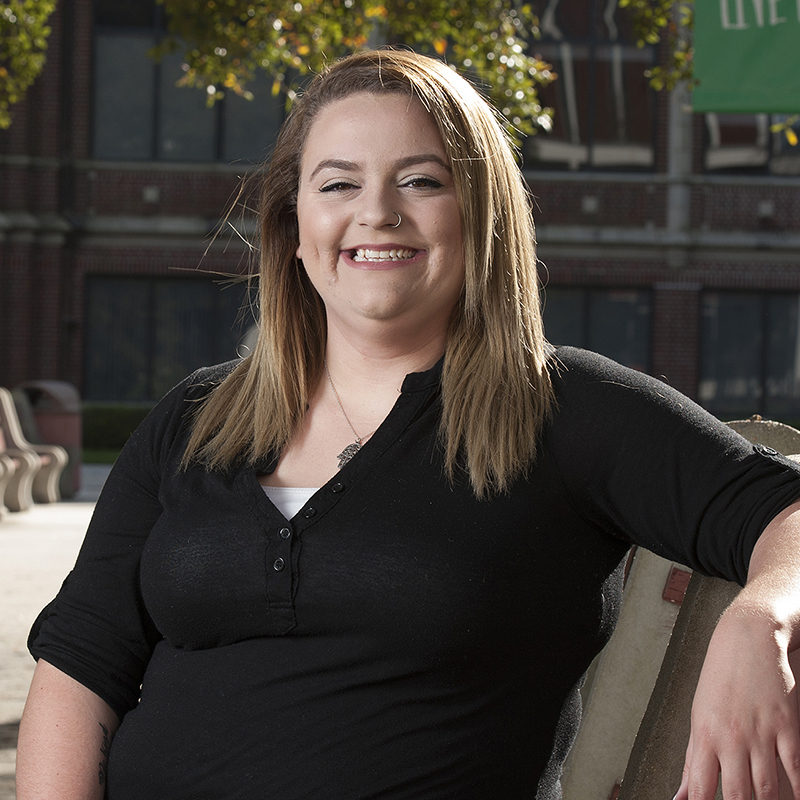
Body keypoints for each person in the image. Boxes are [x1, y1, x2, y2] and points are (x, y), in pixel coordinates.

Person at [16, 49, 800, 800]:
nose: (377, 213)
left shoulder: (565, 410)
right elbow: (82, 662)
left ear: (481, 217)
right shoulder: (196, 418)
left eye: (420, 181)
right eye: (339, 184)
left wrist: (758, 620)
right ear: (293, 228)